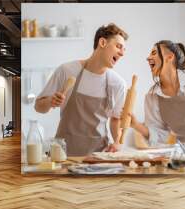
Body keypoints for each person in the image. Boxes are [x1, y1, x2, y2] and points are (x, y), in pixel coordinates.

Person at [34, 23, 128, 156]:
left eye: (124, 50)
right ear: (102, 42)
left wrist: (117, 142)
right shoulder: (67, 71)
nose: (122, 53)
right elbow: (38, 107)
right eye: (118, 46)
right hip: (63, 155)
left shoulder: (117, 84)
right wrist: (50, 101)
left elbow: (115, 119)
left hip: (98, 157)